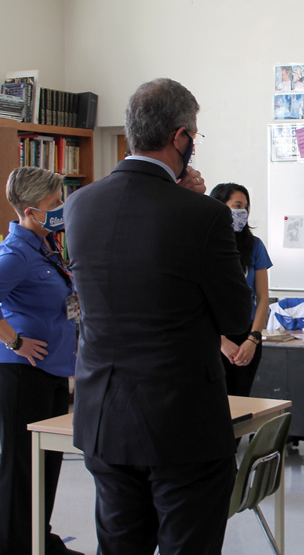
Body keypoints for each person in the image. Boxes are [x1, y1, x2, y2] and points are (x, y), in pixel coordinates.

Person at [64, 78, 253, 555]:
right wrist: (194, 203)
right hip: (180, 423)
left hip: (103, 418)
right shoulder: (204, 215)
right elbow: (235, 316)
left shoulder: (79, 205)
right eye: (194, 136)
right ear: (180, 137)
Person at [0, 167, 83, 555]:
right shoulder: (15, 253)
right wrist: (15, 341)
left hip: (51, 372)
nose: (61, 209)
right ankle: (16, 543)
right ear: (30, 211)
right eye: (54, 204)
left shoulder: (46, 246)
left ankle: (39, 538)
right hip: (22, 375)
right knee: (20, 467)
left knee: (46, 465)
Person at [209, 183, 272, 400]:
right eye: (237, 206)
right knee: (216, 406)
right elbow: (197, 299)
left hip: (248, 336)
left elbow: (263, 297)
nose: (242, 212)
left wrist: (253, 338)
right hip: (214, 337)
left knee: (241, 404)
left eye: (245, 207)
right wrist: (220, 341)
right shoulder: (205, 244)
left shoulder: (254, 245)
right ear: (219, 207)